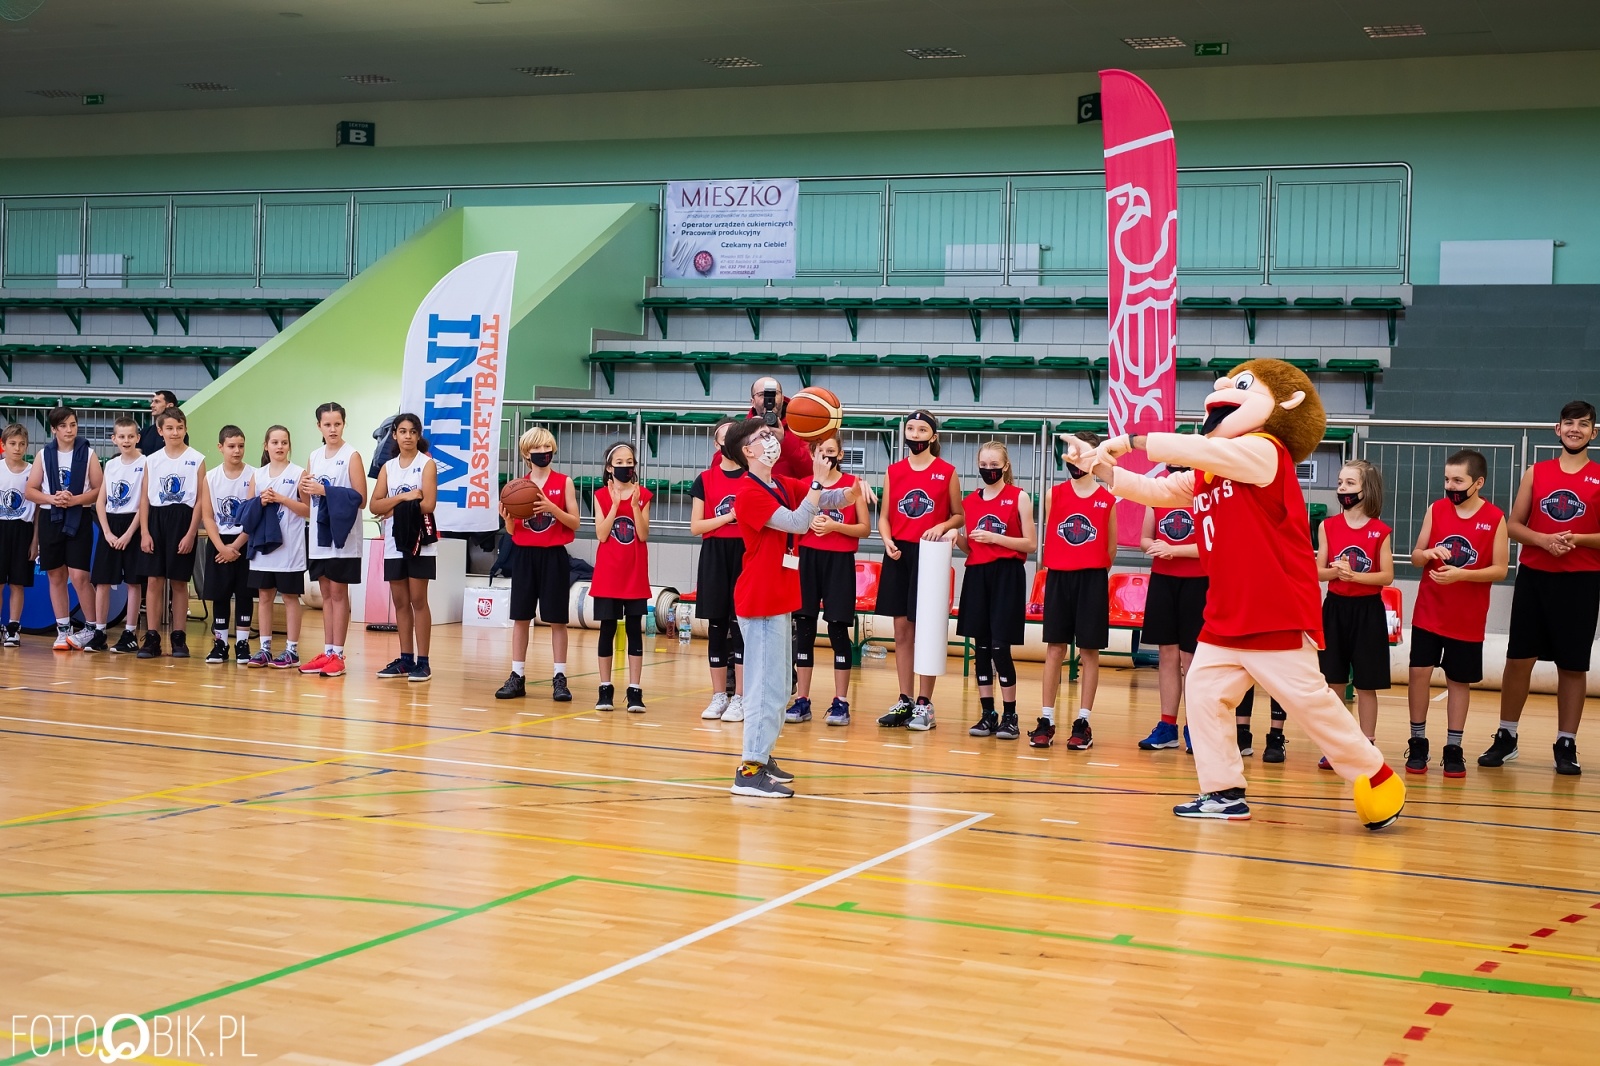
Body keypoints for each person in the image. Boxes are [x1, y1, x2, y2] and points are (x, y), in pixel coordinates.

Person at [1068, 358, 1406, 829]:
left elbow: (1198, 450)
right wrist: (1100, 468)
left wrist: (1132, 441)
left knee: (1312, 703)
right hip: (1227, 611)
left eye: (1241, 387)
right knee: (1204, 695)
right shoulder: (1209, 471)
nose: (1223, 393)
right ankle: (1223, 791)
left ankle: (1377, 777)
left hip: (1275, 607)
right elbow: (1157, 490)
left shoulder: (1265, 451)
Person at [724, 417, 858, 798]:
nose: (771, 439)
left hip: (780, 594)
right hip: (759, 596)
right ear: (747, 451)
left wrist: (850, 491)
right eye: (761, 437)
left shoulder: (780, 483)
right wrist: (817, 482)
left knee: (782, 683)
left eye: (770, 434)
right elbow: (800, 522)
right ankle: (748, 770)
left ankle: (762, 756)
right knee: (763, 686)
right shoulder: (747, 493)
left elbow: (829, 498)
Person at [1482, 399, 1600, 776]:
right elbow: (1513, 524)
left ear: (1593, 433)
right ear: (1557, 429)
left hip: (1581, 581)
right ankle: (1507, 736)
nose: (1575, 429)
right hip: (1536, 576)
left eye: (1583, 424)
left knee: (1573, 665)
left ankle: (1566, 742)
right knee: (1519, 659)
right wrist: (1544, 540)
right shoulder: (1537, 471)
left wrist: (1577, 540)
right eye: (1569, 423)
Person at [1408, 449, 1508, 777]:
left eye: (1458, 480)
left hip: (1467, 617)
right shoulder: (1436, 509)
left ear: (1478, 483)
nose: (1450, 485)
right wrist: (1428, 553)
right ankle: (1418, 742)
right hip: (1429, 610)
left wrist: (1461, 574)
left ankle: (1454, 747)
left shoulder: (1494, 518)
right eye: (1446, 479)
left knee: (1458, 681)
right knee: (1419, 673)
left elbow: (1500, 570)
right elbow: (1416, 557)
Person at [875, 410, 964, 731]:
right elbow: (884, 515)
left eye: (921, 429)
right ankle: (905, 699)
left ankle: (926, 704)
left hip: (930, 554)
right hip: (899, 553)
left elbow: (959, 515)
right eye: (910, 428)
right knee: (901, 630)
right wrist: (886, 540)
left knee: (926, 630)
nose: (914, 434)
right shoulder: (894, 471)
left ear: (932, 436)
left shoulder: (946, 472)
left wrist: (941, 526)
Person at [1033, 432, 1114, 749]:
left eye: (1080, 453)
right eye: (1069, 453)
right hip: (1059, 578)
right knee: (1054, 648)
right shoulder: (1054, 495)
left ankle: (1083, 721)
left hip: (1091, 579)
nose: (1074, 458)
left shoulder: (1107, 499)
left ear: (1094, 457)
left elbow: (1111, 548)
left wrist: (1090, 571)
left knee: (1089, 651)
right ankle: (1046, 718)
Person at [787, 434, 871, 727]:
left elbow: (864, 529)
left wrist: (835, 525)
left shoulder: (853, 484)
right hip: (807, 558)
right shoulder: (803, 485)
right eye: (821, 451)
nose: (826, 456)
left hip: (839, 561)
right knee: (806, 630)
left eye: (831, 451)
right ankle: (802, 699)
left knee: (838, 631)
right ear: (812, 455)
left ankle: (841, 702)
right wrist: (806, 520)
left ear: (841, 453)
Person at [1313, 459, 1394, 760]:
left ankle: (1366, 744)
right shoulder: (1328, 526)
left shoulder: (1380, 530)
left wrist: (1355, 576)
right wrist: (1335, 573)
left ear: (1366, 489)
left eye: (1349, 483)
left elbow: (1386, 576)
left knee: (1366, 684)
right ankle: (1336, 745)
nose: (1342, 489)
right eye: (1340, 483)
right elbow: (1317, 571)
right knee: (1333, 681)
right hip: (1334, 609)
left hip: (1368, 611)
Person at [495, 426, 581, 701]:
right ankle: (517, 675)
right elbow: (512, 531)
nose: (544, 452)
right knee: (521, 617)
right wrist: (507, 518)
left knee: (557, 620)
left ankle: (559, 677)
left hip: (554, 554)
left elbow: (575, 523)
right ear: (526, 453)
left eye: (548, 447)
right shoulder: (516, 487)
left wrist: (552, 508)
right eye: (538, 448)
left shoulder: (564, 482)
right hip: (524, 555)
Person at [959, 441, 1038, 742]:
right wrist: (958, 539)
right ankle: (987, 713)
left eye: (995, 465)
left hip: (1007, 575)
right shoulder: (970, 501)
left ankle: (1010, 715)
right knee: (980, 648)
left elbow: (1030, 544)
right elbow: (971, 546)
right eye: (984, 465)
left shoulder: (1019, 497)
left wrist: (995, 537)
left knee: (999, 647)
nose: (988, 470)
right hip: (977, 574)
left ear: (1005, 466)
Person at [25, 406, 103, 651]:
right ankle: (63, 629)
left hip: (79, 517)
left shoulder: (88, 453)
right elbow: (31, 490)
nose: (69, 430)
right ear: (54, 429)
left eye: (73, 424)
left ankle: (92, 628)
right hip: (51, 518)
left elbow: (100, 490)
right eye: (64, 426)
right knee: (55, 575)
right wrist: (52, 499)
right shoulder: (43, 454)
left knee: (80, 576)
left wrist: (75, 500)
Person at [300, 402, 366, 679]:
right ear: (319, 426)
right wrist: (304, 489)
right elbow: (307, 500)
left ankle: (338, 653)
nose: (332, 429)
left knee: (339, 595)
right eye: (327, 424)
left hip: (343, 537)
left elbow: (360, 498)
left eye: (337, 424)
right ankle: (328, 651)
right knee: (326, 594)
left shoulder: (352, 455)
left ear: (344, 424)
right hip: (319, 535)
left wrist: (324, 490)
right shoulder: (314, 456)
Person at [369, 413, 438, 683]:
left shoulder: (427, 465)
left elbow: (428, 504)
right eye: (402, 431)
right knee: (399, 602)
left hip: (419, 538)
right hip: (393, 541)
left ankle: (424, 662)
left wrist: (393, 507)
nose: (407, 436)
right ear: (394, 435)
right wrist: (406, 497)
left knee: (418, 600)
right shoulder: (388, 467)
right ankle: (406, 658)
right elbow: (374, 505)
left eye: (412, 431)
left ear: (418, 435)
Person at [690, 418, 748, 722]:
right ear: (716, 444)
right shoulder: (704, 479)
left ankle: (740, 696)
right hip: (714, 553)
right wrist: (729, 517)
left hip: (745, 553)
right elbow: (696, 526)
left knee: (741, 625)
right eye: (723, 438)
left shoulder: (753, 477)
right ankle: (718, 695)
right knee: (715, 624)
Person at [137, 407, 204, 659]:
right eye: (170, 428)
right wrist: (144, 531)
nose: (175, 432)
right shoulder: (151, 460)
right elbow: (144, 498)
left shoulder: (196, 458)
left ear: (185, 429)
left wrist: (190, 533)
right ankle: (152, 637)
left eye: (179, 427)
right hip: (156, 519)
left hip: (182, 520)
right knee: (154, 580)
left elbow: (199, 500)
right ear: (160, 430)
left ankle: (179, 637)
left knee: (178, 581)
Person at [592, 442, 651, 713]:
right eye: (620, 462)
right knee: (607, 629)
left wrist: (635, 506)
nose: (626, 466)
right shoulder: (600, 495)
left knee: (633, 630)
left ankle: (634, 690)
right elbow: (602, 534)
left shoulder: (644, 495)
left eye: (630, 462)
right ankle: (605, 688)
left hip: (634, 574)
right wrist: (616, 505)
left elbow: (642, 534)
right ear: (609, 467)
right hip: (608, 575)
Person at [247, 425, 309, 669]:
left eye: (284, 442)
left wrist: (282, 499)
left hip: (290, 549)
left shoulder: (299, 473)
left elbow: (308, 511)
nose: (279, 446)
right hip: (263, 549)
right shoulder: (258, 475)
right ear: (266, 446)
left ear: (289, 445)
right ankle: (264, 649)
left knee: (291, 597)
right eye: (275, 442)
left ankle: (291, 650)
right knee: (264, 596)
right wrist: (260, 501)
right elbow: (248, 511)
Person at [200, 425, 257, 665]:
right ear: (220, 447)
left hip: (244, 540)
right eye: (232, 446)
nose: (237, 451)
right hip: (219, 541)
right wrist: (222, 547)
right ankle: (220, 643)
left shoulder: (254, 475)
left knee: (244, 594)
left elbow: (254, 516)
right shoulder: (211, 477)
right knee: (220, 595)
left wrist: (235, 545)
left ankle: (242, 643)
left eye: (241, 446)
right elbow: (207, 516)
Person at [93, 417, 147, 655]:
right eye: (121, 436)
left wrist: (128, 534)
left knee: (134, 582)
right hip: (111, 525)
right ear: (114, 439)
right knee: (102, 581)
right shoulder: (112, 464)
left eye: (130, 436)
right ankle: (99, 632)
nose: (126, 440)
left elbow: (143, 504)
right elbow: (100, 502)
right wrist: (106, 531)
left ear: (138, 437)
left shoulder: (146, 463)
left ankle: (130, 633)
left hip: (133, 523)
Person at [0, 423, 37, 648]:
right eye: (12, 444)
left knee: (17, 583)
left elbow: (39, 509)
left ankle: (13, 627)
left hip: (23, 529)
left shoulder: (32, 471)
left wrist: (35, 540)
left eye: (21, 444)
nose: (17, 448)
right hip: (1, 526)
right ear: (3, 445)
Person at [746, 376, 812, 481]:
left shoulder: (801, 427)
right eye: (762, 395)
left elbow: (811, 471)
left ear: (782, 397)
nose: (768, 400)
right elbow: (724, 466)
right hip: (755, 490)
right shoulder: (743, 429)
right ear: (752, 401)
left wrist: (784, 441)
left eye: (774, 394)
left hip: (790, 493)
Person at [139, 391, 184, 456]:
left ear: (170, 405)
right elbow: (136, 457)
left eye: (157, 402)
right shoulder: (144, 432)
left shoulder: (177, 433)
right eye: (152, 402)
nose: (151, 405)